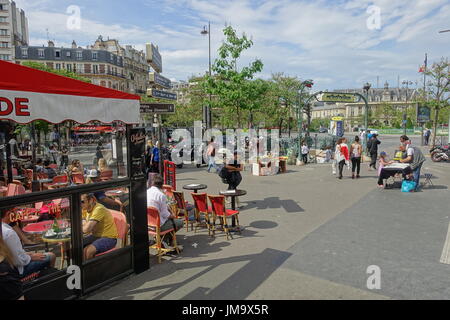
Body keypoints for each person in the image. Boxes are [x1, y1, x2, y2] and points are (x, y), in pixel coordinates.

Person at [1, 209, 56, 278]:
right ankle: (49, 280)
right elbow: (19, 261)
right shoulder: (9, 233)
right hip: (17, 270)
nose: (16, 213)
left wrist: (27, 255)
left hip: (8, 267)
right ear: (8, 214)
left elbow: (12, 254)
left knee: (37, 255)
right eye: (14, 211)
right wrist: (30, 257)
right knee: (51, 256)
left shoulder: (4, 229)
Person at [147, 174, 184, 248]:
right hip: (158, 225)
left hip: (148, 224)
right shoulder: (161, 195)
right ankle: (165, 238)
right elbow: (165, 214)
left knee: (171, 220)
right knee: (180, 222)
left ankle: (165, 239)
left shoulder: (147, 191)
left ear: (152, 183)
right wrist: (173, 216)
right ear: (162, 185)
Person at [81, 193, 119, 260]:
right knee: (77, 246)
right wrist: (85, 226)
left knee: (88, 251)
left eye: (82, 202)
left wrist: (85, 226)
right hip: (96, 236)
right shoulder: (85, 209)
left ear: (91, 200)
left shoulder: (99, 209)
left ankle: (91, 270)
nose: (80, 204)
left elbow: (86, 229)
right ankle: (81, 268)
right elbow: (84, 224)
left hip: (109, 238)